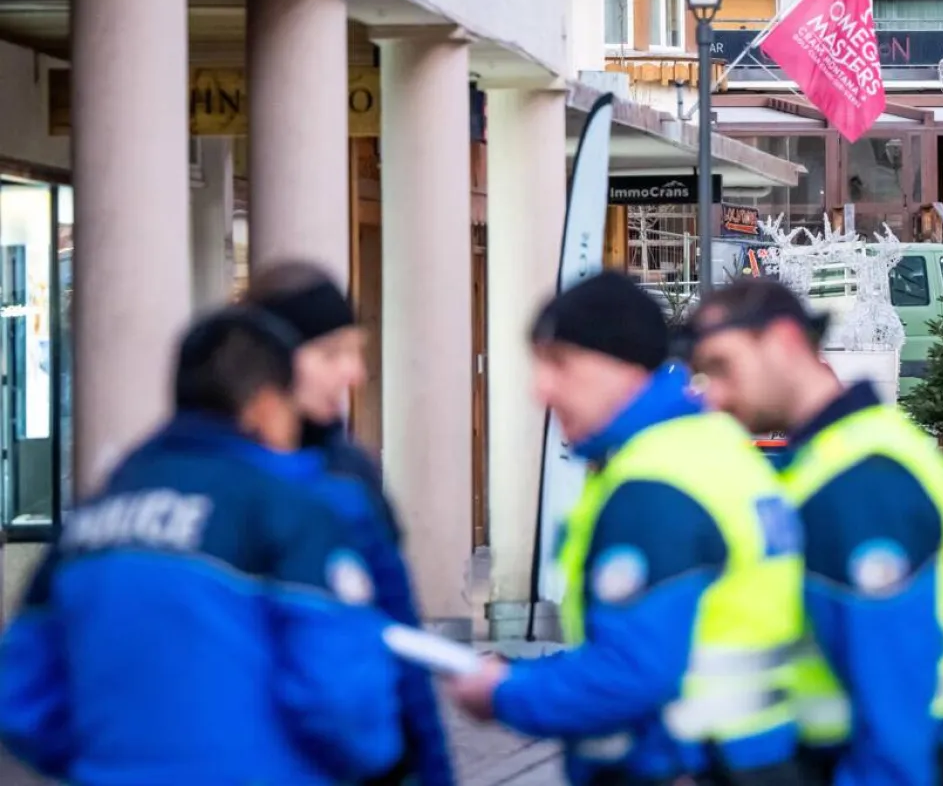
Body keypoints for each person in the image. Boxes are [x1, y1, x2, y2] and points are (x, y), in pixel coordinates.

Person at [0, 307, 401, 784]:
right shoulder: (287, 511)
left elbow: (19, 693)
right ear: (265, 404)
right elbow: (345, 702)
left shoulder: (88, 522)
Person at [444, 271, 805, 786]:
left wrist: (504, 693)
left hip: (681, 765)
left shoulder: (654, 486)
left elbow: (632, 672)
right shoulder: (709, 448)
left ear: (624, 365)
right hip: (748, 760)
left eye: (560, 364)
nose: (541, 389)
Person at [686, 278, 943, 786]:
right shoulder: (833, 459)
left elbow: (895, 715)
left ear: (784, 342)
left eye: (722, 368)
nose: (715, 396)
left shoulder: (860, 479)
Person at [245, 260, 455, 786]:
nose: (354, 374)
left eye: (354, 352)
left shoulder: (348, 471)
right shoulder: (215, 476)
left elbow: (396, 628)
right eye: (332, 354)